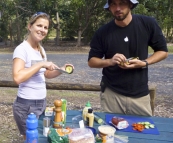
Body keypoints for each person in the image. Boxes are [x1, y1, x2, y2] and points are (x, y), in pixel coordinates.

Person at [88, 0, 168, 117]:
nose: (118, 8)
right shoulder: (103, 32)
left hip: (140, 94)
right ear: (109, 7)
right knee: (111, 132)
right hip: (112, 94)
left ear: (131, 4)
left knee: (142, 132)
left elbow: (163, 51)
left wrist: (144, 63)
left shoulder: (147, 24)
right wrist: (110, 61)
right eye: (113, 4)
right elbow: (91, 61)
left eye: (122, 3)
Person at [12, 12, 74, 139]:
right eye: (39, 25)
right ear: (30, 26)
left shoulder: (40, 49)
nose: (43, 30)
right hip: (26, 106)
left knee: (39, 137)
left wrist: (60, 70)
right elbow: (17, 77)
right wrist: (41, 64)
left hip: (41, 103)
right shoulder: (22, 49)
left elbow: (45, 74)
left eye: (45, 27)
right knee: (32, 139)